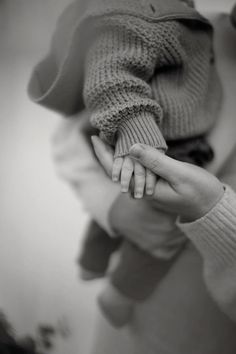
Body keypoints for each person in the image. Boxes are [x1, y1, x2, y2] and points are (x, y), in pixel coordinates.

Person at [52, 7, 236, 354]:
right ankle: (95, 264)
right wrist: (111, 207)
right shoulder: (177, 24)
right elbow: (71, 136)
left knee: (163, 225)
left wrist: (213, 210)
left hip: (206, 330)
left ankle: (114, 285)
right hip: (127, 333)